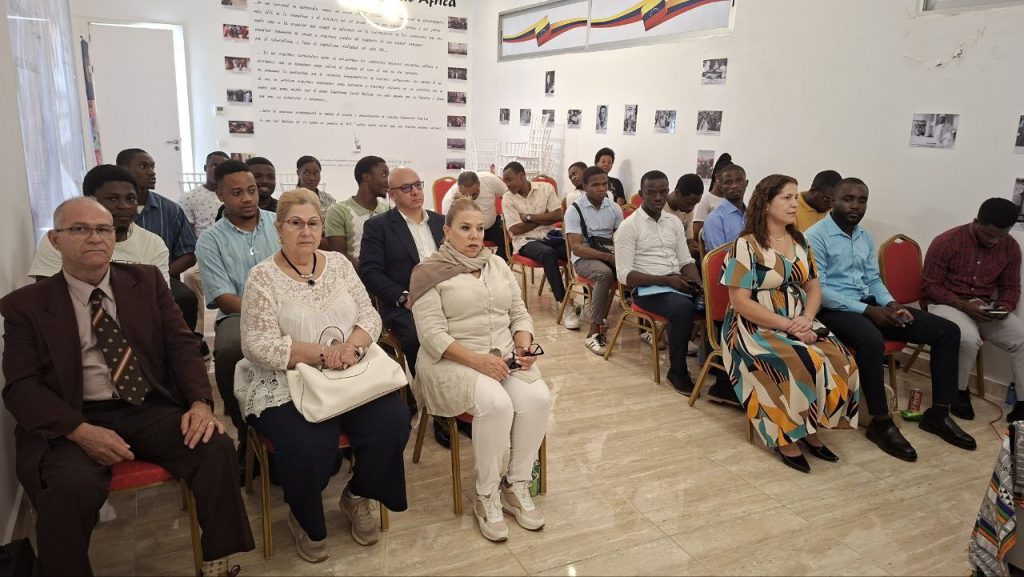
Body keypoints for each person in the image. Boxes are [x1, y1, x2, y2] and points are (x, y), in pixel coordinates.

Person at [2, 197, 254, 576]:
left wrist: (200, 403)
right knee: (67, 486)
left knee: (214, 446)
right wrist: (80, 431)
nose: (95, 238)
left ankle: (218, 559)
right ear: (55, 240)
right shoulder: (27, 305)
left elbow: (181, 346)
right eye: (80, 229)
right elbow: (22, 387)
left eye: (103, 229)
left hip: (145, 406)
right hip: (74, 416)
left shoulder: (145, 282)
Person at [238, 188, 409, 563]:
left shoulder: (339, 264)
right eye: (295, 223)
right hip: (288, 379)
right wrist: (322, 354)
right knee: (308, 444)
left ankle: (358, 495)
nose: (306, 231)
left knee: (393, 422)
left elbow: (369, 316)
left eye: (313, 223)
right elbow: (257, 345)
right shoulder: (262, 277)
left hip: (349, 371)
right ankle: (305, 517)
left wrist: (351, 349)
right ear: (279, 228)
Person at [409, 198, 551, 543]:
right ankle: (486, 494)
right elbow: (432, 336)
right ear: (447, 231)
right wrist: (478, 361)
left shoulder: (496, 264)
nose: (474, 236)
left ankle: (515, 484)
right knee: (496, 403)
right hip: (451, 360)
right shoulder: (428, 272)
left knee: (538, 398)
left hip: (502, 355)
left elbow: (519, 312)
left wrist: (523, 345)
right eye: (465, 228)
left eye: (479, 228)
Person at [807, 178, 976, 461]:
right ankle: (881, 421)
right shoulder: (815, 236)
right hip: (833, 311)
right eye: (848, 199)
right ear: (833, 200)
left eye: (862, 200)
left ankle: (939, 413)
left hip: (869, 305)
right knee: (871, 340)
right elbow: (820, 290)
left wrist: (891, 304)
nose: (855, 206)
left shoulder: (863, 236)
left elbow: (873, 279)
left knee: (947, 331)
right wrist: (869, 311)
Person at [721, 174, 860, 473]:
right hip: (753, 326)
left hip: (799, 319)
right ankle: (786, 436)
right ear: (765, 203)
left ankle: (810, 427)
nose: (794, 204)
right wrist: (787, 325)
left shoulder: (800, 241)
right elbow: (740, 302)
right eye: (786, 198)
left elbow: (813, 287)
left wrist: (807, 319)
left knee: (841, 360)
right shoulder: (746, 245)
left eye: (795, 197)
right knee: (800, 362)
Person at [196, 160, 281, 479]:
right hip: (238, 313)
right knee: (230, 349)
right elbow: (222, 296)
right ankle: (246, 430)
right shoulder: (210, 240)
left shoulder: (279, 224)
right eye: (236, 193)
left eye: (252, 190)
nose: (247, 198)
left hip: (291, 306)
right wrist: (267, 313)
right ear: (220, 195)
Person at [359, 167, 446, 429]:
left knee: (469, 330)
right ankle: (439, 413)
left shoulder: (441, 222)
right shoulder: (378, 227)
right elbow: (370, 271)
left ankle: (461, 397)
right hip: (406, 304)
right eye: (406, 188)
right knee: (421, 340)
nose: (415, 192)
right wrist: (403, 297)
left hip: (447, 299)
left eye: (418, 185)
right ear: (392, 195)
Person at [921, 198, 1023, 421]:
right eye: (989, 234)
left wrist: (1003, 307)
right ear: (976, 221)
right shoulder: (947, 241)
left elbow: (1011, 287)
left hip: (983, 306)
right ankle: (958, 393)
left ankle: (1022, 405)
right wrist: (962, 305)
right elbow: (930, 286)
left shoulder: (1010, 247)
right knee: (966, 338)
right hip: (946, 303)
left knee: (1022, 338)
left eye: (1001, 235)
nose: (994, 240)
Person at [614, 170, 702, 394]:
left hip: (676, 281)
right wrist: (668, 281)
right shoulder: (629, 226)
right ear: (641, 193)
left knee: (716, 302)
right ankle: (677, 372)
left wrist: (700, 285)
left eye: (663, 192)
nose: (658, 198)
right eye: (651, 193)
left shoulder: (673, 222)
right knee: (683, 308)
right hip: (647, 289)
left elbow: (686, 261)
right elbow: (624, 275)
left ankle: (717, 370)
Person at [116, 148, 201, 346]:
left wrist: (160, 274)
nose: (151, 172)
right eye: (143, 166)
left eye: (152, 167)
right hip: (116, 276)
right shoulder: (109, 211)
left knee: (186, 298)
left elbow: (189, 254)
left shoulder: (170, 209)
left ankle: (183, 347)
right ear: (123, 170)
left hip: (163, 277)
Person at [29, 165, 169, 284]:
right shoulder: (62, 238)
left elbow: (158, 299)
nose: (124, 206)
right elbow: (46, 296)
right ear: (89, 200)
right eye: (112, 199)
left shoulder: (152, 244)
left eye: (131, 199)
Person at [501, 162, 573, 324]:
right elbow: (516, 229)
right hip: (525, 241)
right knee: (548, 254)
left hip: (550, 236)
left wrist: (528, 217)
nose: (507, 185)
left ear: (521, 176)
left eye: (509, 180)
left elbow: (558, 216)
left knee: (573, 249)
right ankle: (564, 304)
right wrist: (545, 217)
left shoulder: (546, 188)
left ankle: (588, 301)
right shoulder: (508, 198)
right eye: (505, 181)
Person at [565, 166, 623, 354]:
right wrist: (608, 257)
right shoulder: (574, 210)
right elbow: (576, 248)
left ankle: (645, 328)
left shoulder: (614, 208)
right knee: (604, 273)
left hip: (610, 252)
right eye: (595, 185)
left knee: (638, 268)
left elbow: (621, 239)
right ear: (584, 187)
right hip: (584, 258)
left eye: (604, 184)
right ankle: (593, 332)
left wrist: (621, 258)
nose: (601, 188)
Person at [325, 155, 391, 266]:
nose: (388, 181)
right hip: (355, 274)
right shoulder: (338, 211)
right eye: (384, 175)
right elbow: (339, 255)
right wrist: (370, 272)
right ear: (366, 177)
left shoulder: (389, 210)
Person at [441, 171, 508, 259]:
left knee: (507, 241)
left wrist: (508, 217)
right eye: (465, 195)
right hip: (466, 232)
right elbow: (449, 229)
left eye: (474, 194)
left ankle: (498, 265)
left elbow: (509, 196)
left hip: (491, 227)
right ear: (459, 188)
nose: (470, 197)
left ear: (479, 184)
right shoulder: (449, 200)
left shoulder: (490, 180)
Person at [181, 151, 230, 239]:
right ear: (205, 168)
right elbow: (186, 236)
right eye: (214, 165)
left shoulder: (234, 195)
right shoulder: (189, 198)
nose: (218, 170)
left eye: (223, 167)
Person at [702, 163, 749, 250]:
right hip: (729, 259)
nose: (734, 186)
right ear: (720, 187)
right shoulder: (714, 218)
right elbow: (719, 256)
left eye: (739, 180)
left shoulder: (753, 215)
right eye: (728, 182)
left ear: (746, 183)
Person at [691, 152, 734, 243]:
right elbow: (697, 233)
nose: (732, 185)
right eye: (728, 180)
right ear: (717, 176)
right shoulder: (706, 200)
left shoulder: (732, 200)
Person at [664, 173, 704, 258]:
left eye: (695, 204)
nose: (691, 208)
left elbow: (689, 240)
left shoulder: (686, 210)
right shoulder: (659, 210)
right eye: (689, 203)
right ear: (677, 193)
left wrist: (701, 250)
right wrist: (684, 250)